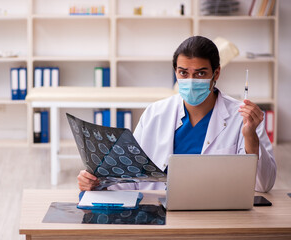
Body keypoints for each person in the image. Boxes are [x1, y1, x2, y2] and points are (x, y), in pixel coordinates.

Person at [77, 36, 276, 193]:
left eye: (200, 73)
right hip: (159, 208)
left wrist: (250, 136)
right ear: (175, 72)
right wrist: (98, 182)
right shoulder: (156, 113)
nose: (190, 80)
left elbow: (263, 185)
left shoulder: (242, 116)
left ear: (216, 74)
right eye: (183, 73)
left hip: (217, 209)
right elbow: (131, 177)